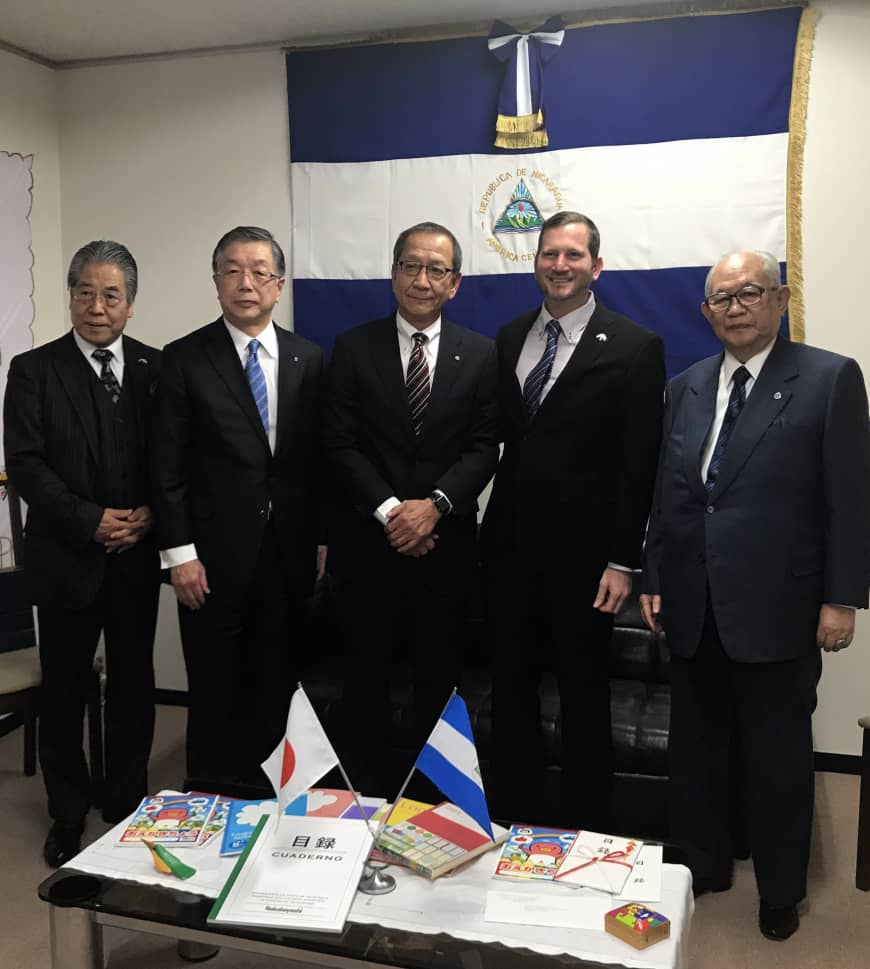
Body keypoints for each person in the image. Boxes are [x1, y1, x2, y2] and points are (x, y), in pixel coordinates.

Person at [640, 250, 870, 941]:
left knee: (777, 759)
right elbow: (669, 493)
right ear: (706, 313)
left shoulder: (829, 378)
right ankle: (703, 865)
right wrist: (654, 575)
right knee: (698, 751)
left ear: (779, 300)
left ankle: (780, 889)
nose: (735, 306)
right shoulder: (685, 385)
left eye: (749, 292)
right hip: (691, 601)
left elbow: (850, 499)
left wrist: (842, 598)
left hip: (781, 607)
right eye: (721, 298)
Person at [480, 211, 666, 831]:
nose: (560, 266)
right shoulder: (507, 338)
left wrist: (623, 560)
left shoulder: (637, 346)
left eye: (573, 256)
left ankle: (586, 831)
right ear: (535, 262)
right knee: (510, 693)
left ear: (596, 266)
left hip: (587, 563)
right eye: (549, 254)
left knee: (584, 697)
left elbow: (640, 466)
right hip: (507, 552)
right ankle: (514, 820)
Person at [323, 221, 499, 797]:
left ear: (455, 282)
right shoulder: (352, 348)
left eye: (437, 269)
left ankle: (431, 810)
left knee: (437, 687)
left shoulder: (481, 353)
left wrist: (436, 507)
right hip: (369, 550)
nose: (422, 280)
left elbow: (483, 447)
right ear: (393, 273)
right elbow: (340, 444)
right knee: (365, 684)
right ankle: (366, 806)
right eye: (411, 266)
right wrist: (396, 512)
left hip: (445, 551)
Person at [152, 226, 325, 797]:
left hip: (288, 553)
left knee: (277, 680)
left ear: (278, 285)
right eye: (231, 270)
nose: (245, 283)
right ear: (216, 282)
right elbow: (167, 467)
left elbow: (318, 462)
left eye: (258, 272)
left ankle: (273, 794)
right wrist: (179, 555)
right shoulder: (182, 359)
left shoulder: (309, 359)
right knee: (214, 683)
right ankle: (211, 794)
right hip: (210, 558)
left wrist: (321, 542)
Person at [4, 241, 161, 866]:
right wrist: (91, 520)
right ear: (71, 296)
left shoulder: (156, 369)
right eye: (84, 293)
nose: (97, 307)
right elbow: (26, 467)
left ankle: (126, 802)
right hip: (67, 558)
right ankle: (66, 811)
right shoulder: (33, 369)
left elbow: (170, 458)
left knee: (133, 685)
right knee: (64, 690)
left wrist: (150, 512)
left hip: (135, 558)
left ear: (129, 303)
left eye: (111, 295)